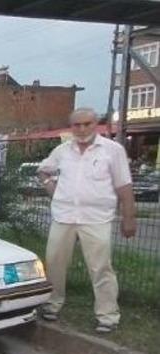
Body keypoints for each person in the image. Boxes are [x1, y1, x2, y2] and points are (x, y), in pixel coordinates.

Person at [37, 107, 137, 333]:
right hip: (63, 216)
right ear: (71, 127)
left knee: (101, 267)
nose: (82, 129)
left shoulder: (112, 150)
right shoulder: (62, 151)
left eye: (87, 124)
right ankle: (52, 305)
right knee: (54, 262)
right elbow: (44, 170)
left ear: (96, 124)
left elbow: (124, 186)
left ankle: (107, 316)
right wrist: (51, 188)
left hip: (96, 218)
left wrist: (129, 217)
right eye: (77, 125)